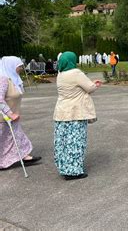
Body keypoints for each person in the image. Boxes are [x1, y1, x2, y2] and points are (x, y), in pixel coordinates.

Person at [53, 52, 101, 180]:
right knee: (76, 141)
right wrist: (95, 84)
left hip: (62, 112)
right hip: (75, 112)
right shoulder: (76, 73)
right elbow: (89, 88)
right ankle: (74, 171)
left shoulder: (60, 74)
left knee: (63, 142)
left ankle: (64, 167)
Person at [0, 56, 41, 170]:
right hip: (4, 117)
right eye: (19, 66)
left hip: (12, 116)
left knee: (16, 137)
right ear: (11, 66)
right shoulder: (3, 79)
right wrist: (10, 114)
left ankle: (24, 156)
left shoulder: (13, 78)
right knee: (5, 141)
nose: (21, 68)